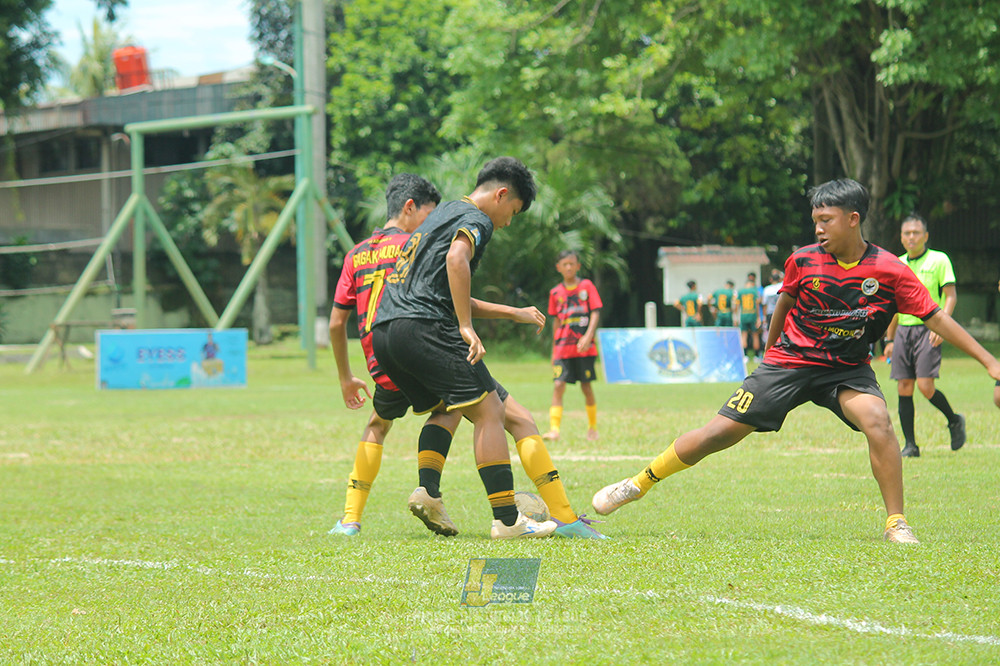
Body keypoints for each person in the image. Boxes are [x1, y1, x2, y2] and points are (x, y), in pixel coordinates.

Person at [591, 178, 1000, 545]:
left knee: (878, 420)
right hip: (790, 362)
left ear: (853, 219)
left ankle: (897, 522)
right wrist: (770, 358)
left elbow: (936, 317)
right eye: (815, 221)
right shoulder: (803, 261)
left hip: (846, 369)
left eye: (826, 220)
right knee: (718, 433)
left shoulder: (890, 270)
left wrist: (989, 362)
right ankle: (638, 483)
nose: (818, 229)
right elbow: (783, 307)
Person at [330, 173, 604, 539]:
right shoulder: (472, 219)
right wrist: (466, 326)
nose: (508, 222)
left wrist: (511, 313)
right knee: (491, 411)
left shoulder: (425, 225)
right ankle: (510, 520)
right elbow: (456, 261)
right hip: (427, 332)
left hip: (383, 340)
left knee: (453, 410)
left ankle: (405, 499)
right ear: (501, 194)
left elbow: (345, 318)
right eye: (513, 211)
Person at [883, 214, 964, 458]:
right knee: (904, 386)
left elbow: (950, 296)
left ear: (925, 236)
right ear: (901, 237)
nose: (911, 237)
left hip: (929, 328)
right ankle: (911, 446)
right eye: (907, 233)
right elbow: (893, 306)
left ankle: (954, 420)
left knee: (925, 386)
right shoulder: (896, 264)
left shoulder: (939, 259)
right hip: (903, 331)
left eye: (916, 233)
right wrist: (889, 339)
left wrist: (942, 326)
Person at [542, 249, 603, 442]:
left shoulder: (587, 286)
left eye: (572, 264)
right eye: (565, 264)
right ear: (558, 268)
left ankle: (593, 428)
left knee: (586, 386)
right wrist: (554, 350)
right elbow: (556, 321)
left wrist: (588, 336)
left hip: (584, 349)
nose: (568, 267)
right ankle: (554, 430)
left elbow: (595, 312)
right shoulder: (555, 292)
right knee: (558, 385)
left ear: (578, 266)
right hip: (563, 349)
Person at [737, 273, 761, 360]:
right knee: (755, 335)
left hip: (743, 315)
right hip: (753, 315)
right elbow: (757, 305)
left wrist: (736, 317)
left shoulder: (740, 291)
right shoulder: (754, 291)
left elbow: (737, 305)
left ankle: (745, 355)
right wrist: (758, 317)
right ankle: (756, 355)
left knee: (744, 335)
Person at [760, 269, 783, 346]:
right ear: (779, 279)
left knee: (770, 332)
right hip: (780, 312)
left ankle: (771, 346)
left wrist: (764, 317)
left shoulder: (767, 289)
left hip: (770, 313)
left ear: (771, 279)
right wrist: (779, 272)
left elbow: (764, 304)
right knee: (781, 331)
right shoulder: (781, 286)